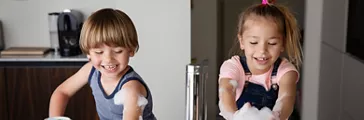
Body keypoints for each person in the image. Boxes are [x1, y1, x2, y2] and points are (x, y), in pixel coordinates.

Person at [48, 8, 156, 120]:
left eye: (118, 51)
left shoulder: (131, 90)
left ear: (131, 50)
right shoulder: (91, 71)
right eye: (99, 52)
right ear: (88, 53)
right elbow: (62, 92)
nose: (108, 59)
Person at [218, 0, 303, 119]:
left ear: (283, 43)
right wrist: (235, 117)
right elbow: (226, 91)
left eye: (272, 43)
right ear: (242, 41)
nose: (262, 50)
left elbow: (286, 99)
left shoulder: (286, 72)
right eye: (254, 42)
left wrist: (275, 117)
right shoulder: (233, 66)